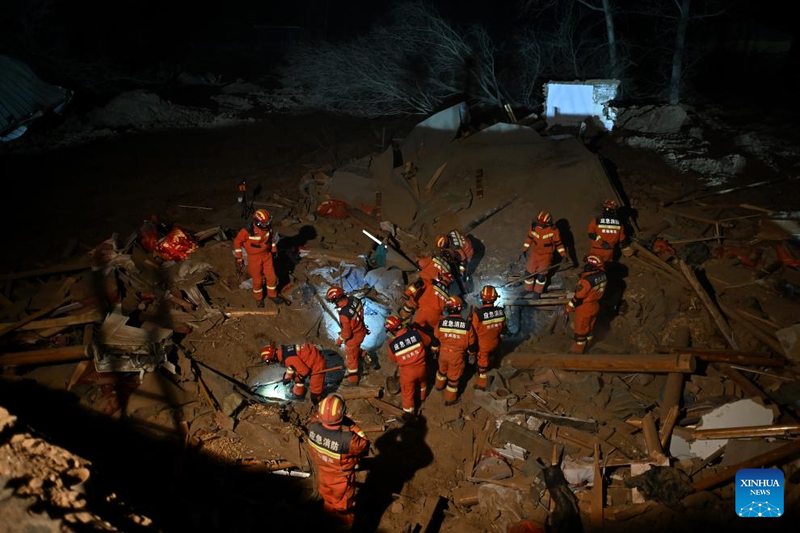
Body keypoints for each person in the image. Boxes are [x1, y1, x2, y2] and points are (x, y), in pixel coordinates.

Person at [307, 393, 369, 528]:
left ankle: (327, 523)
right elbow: (365, 446)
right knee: (343, 509)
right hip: (342, 481)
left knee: (328, 501)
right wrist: (352, 426)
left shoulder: (312, 428)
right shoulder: (348, 440)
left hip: (323, 475)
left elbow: (316, 419)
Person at [384, 316, 436, 414]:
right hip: (422, 368)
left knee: (407, 394)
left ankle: (409, 415)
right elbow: (428, 341)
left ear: (391, 330)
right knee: (422, 383)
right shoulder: (416, 333)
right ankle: (421, 398)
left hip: (407, 373)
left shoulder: (392, 344)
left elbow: (394, 359)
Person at [433, 296, 476, 406]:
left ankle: (438, 387)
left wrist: (434, 351)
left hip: (443, 354)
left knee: (441, 372)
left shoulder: (441, 323)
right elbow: (472, 346)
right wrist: (471, 354)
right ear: (460, 308)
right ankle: (450, 399)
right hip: (456, 357)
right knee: (453, 379)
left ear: (447, 309)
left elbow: (435, 341)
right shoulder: (467, 326)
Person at [234, 209, 280, 307]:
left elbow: (271, 239)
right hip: (254, 258)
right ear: (257, 221)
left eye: (267, 222)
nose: (266, 225)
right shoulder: (247, 231)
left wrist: (274, 249)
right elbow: (237, 242)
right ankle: (258, 298)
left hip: (267, 256)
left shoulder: (268, 228)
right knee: (257, 280)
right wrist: (239, 257)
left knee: (272, 277)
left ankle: (272, 295)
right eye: (264, 223)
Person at [326, 286, 369, 386]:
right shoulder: (355, 300)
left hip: (353, 338)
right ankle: (363, 355)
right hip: (362, 330)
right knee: (356, 349)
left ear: (336, 300)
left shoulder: (344, 315)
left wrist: (339, 340)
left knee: (351, 359)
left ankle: (353, 380)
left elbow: (347, 333)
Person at [565, 255, 607, 354]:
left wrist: (568, 308)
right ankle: (588, 346)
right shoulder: (603, 276)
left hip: (585, 308)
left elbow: (578, 298)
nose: (585, 265)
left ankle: (577, 352)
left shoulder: (586, 281)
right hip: (595, 305)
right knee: (589, 328)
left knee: (580, 331)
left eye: (587, 264)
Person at [521, 211, 568, 298]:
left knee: (541, 277)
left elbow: (559, 244)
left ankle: (537, 292)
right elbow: (529, 238)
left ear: (548, 223)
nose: (539, 225)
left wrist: (563, 255)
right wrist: (525, 249)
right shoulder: (533, 227)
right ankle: (528, 289)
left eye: (541, 224)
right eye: (538, 222)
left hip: (546, 257)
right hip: (534, 254)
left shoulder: (553, 230)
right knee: (528, 273)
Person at [260, 342, 326, 403]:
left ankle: (317, 402)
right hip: (312, 355)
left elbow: (304, 372)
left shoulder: (288, 359)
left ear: (273, 358)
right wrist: (287, 377)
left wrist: (295, 378)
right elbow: (293, 365)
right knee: (298, 377)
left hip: (317, 365)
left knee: (315, 393)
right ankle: (299, 394)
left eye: (271, 361)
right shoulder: (284, 351)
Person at [470, 285, 507, 390]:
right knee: (491, 357)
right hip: (495, 342)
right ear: (495, 298)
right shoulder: (501, 312)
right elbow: (503, 328)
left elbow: (473, 332)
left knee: (482, 365)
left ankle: (482, 385)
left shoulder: (478, 314)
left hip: (483, 346)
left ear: (482, 298)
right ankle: (492, 366)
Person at [587, 199, 630, 264]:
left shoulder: (597, 219)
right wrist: (625, 247)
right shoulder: (619, 223)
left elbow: (591, 234)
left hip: (595, 250)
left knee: (590, 267)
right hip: (609, 251)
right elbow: (622, 239)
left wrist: (601, 242)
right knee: (606, 269)